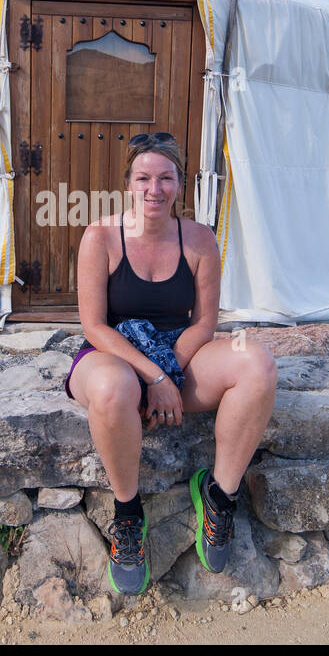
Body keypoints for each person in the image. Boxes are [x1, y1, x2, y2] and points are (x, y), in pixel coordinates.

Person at [63, 132, 277, 595]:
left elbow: (204, 323)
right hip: (113, 353)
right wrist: (154, 375)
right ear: (128, 183)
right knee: (112, 389)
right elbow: (94, 326)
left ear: (181, 183)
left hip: (179, 351)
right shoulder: (99, 237)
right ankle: (128, 515)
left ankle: (219, 495)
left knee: (256, 363)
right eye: (143, 177)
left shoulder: (199, 239)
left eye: (165, 177)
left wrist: (172, 373)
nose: (153, 189)